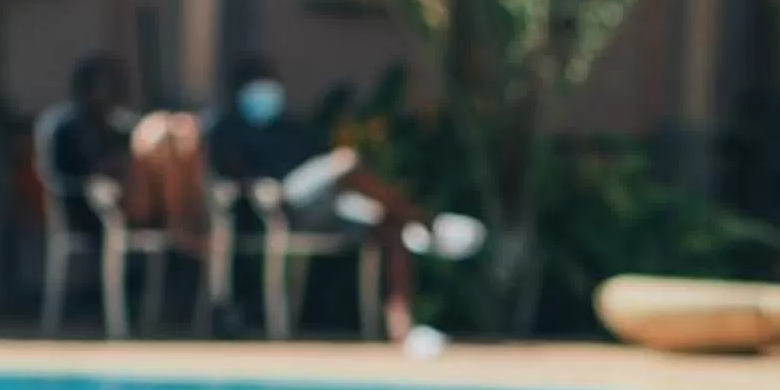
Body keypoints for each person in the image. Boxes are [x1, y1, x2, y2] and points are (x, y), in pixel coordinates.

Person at [205, 55, 484, 347]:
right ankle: (429, 224)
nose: (265, 90)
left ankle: (402, 327)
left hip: (326, 203)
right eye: (257, 81)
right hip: (282, 200)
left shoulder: (290, 128)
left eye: (269, 80)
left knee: (389, 225)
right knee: (345, 162)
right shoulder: (228, 130)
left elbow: (317, 160)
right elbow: (233, 175)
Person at [44, 54, 209, 249]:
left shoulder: (118, 124)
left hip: (130, 199)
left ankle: (181, 230)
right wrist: (100, 179)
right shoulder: (64, 127)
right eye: (101, 88)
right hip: (84, 208)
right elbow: (61, 175)